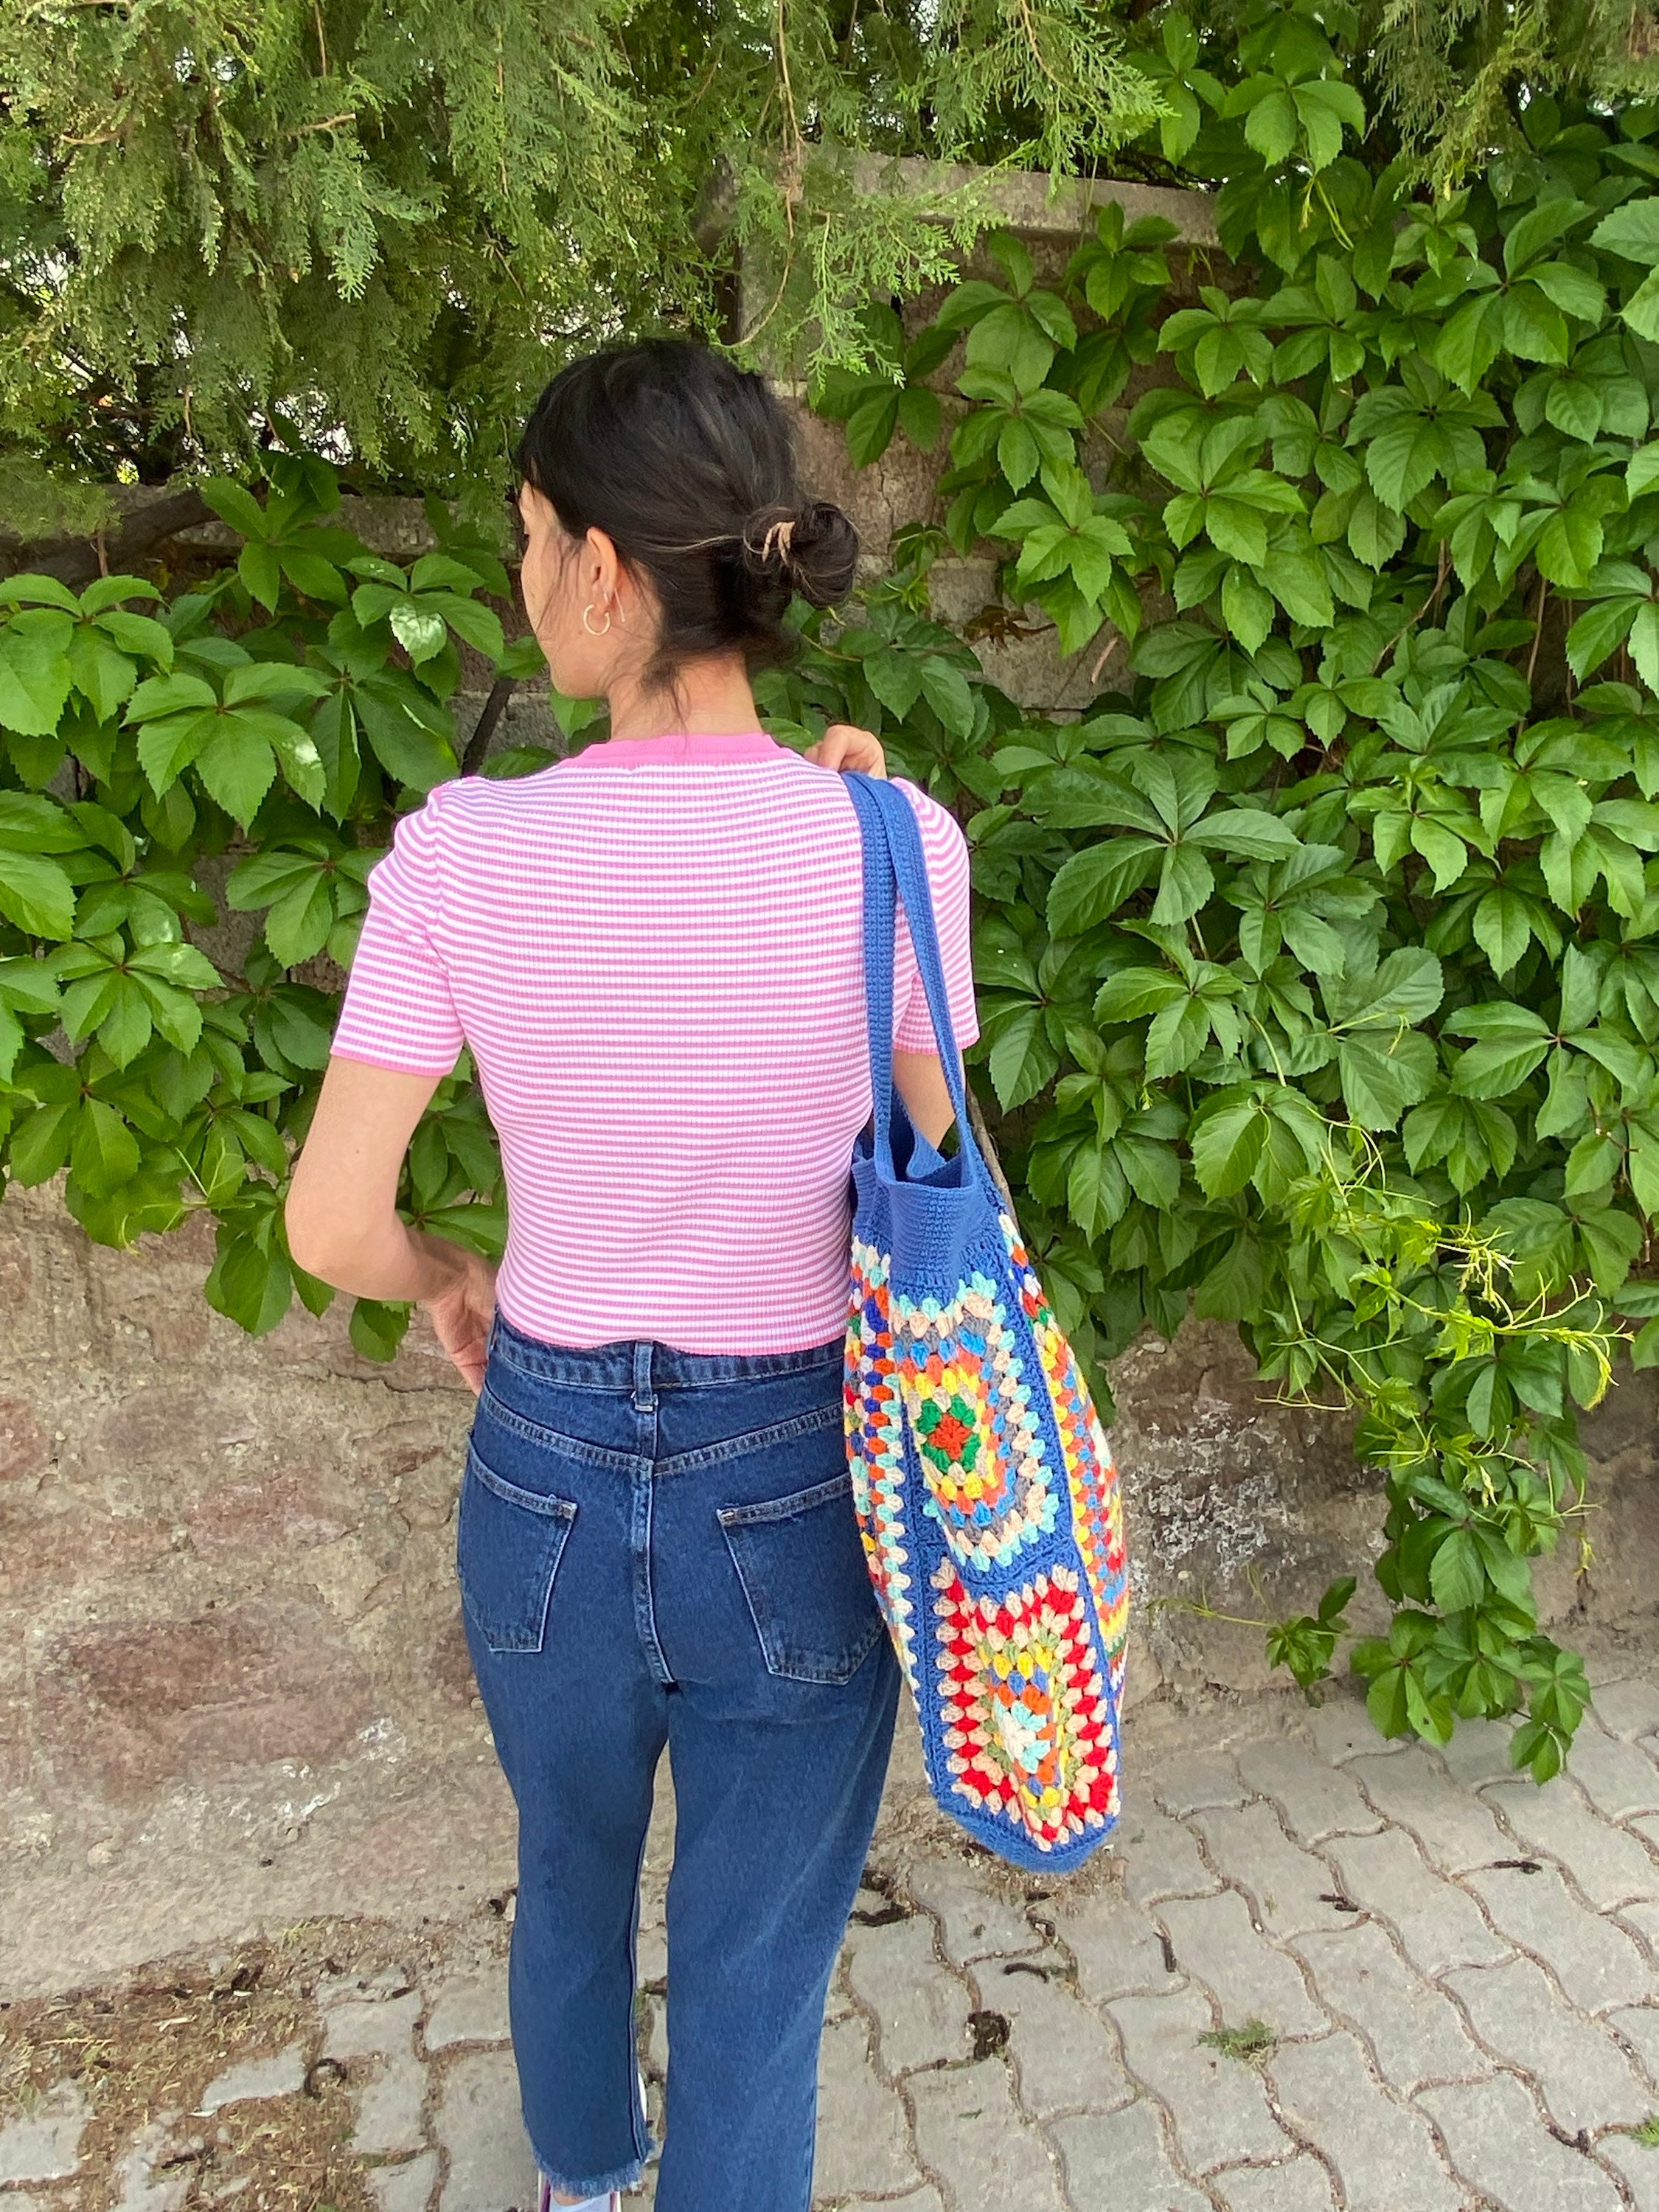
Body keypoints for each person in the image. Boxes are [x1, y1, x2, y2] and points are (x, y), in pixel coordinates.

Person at [285, 338, 978, 2212]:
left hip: (545, 1475)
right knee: (754, 1969)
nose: (521, 579)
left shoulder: (459, 851)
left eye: (527, 539)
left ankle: (581, 2183)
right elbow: (929, 1162)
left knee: (570, 1875)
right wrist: (881, 845)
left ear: (604, 572)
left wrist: (446, 1271)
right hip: (802, 1482)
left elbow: (330, 1228)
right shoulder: (891, 841)